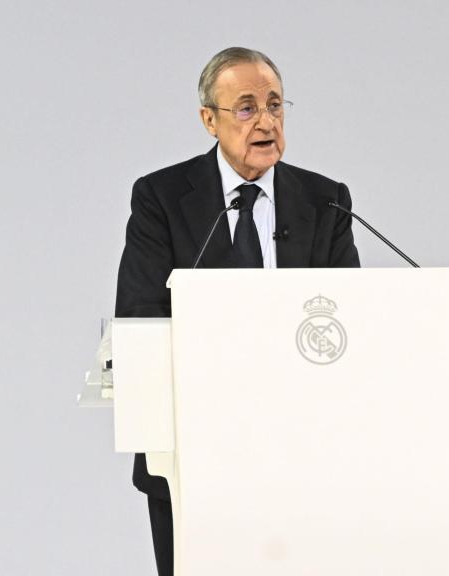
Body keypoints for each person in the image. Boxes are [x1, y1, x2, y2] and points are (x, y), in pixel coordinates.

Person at [114, 47, 360, 576]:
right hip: (193, 452)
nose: (266, 120)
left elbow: (350, 319)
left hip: (304, 451)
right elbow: (140, 313)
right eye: (246, 108)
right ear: (210, 120)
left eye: (275, 105)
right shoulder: (160, 197)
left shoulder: (327, 200)